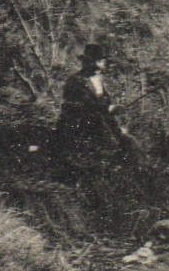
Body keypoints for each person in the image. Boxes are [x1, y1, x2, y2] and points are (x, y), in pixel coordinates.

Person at [52, 43, 138, 173]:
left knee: (127, 140)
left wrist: (112, 107)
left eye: (101, 61)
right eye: (99, 61)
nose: (102, 65)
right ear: (89, 63)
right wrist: (108, 109)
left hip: (100, 120)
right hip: (79, 123)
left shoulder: (98, 80)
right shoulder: (75, 81)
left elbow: (105, 100)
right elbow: (84, 103)